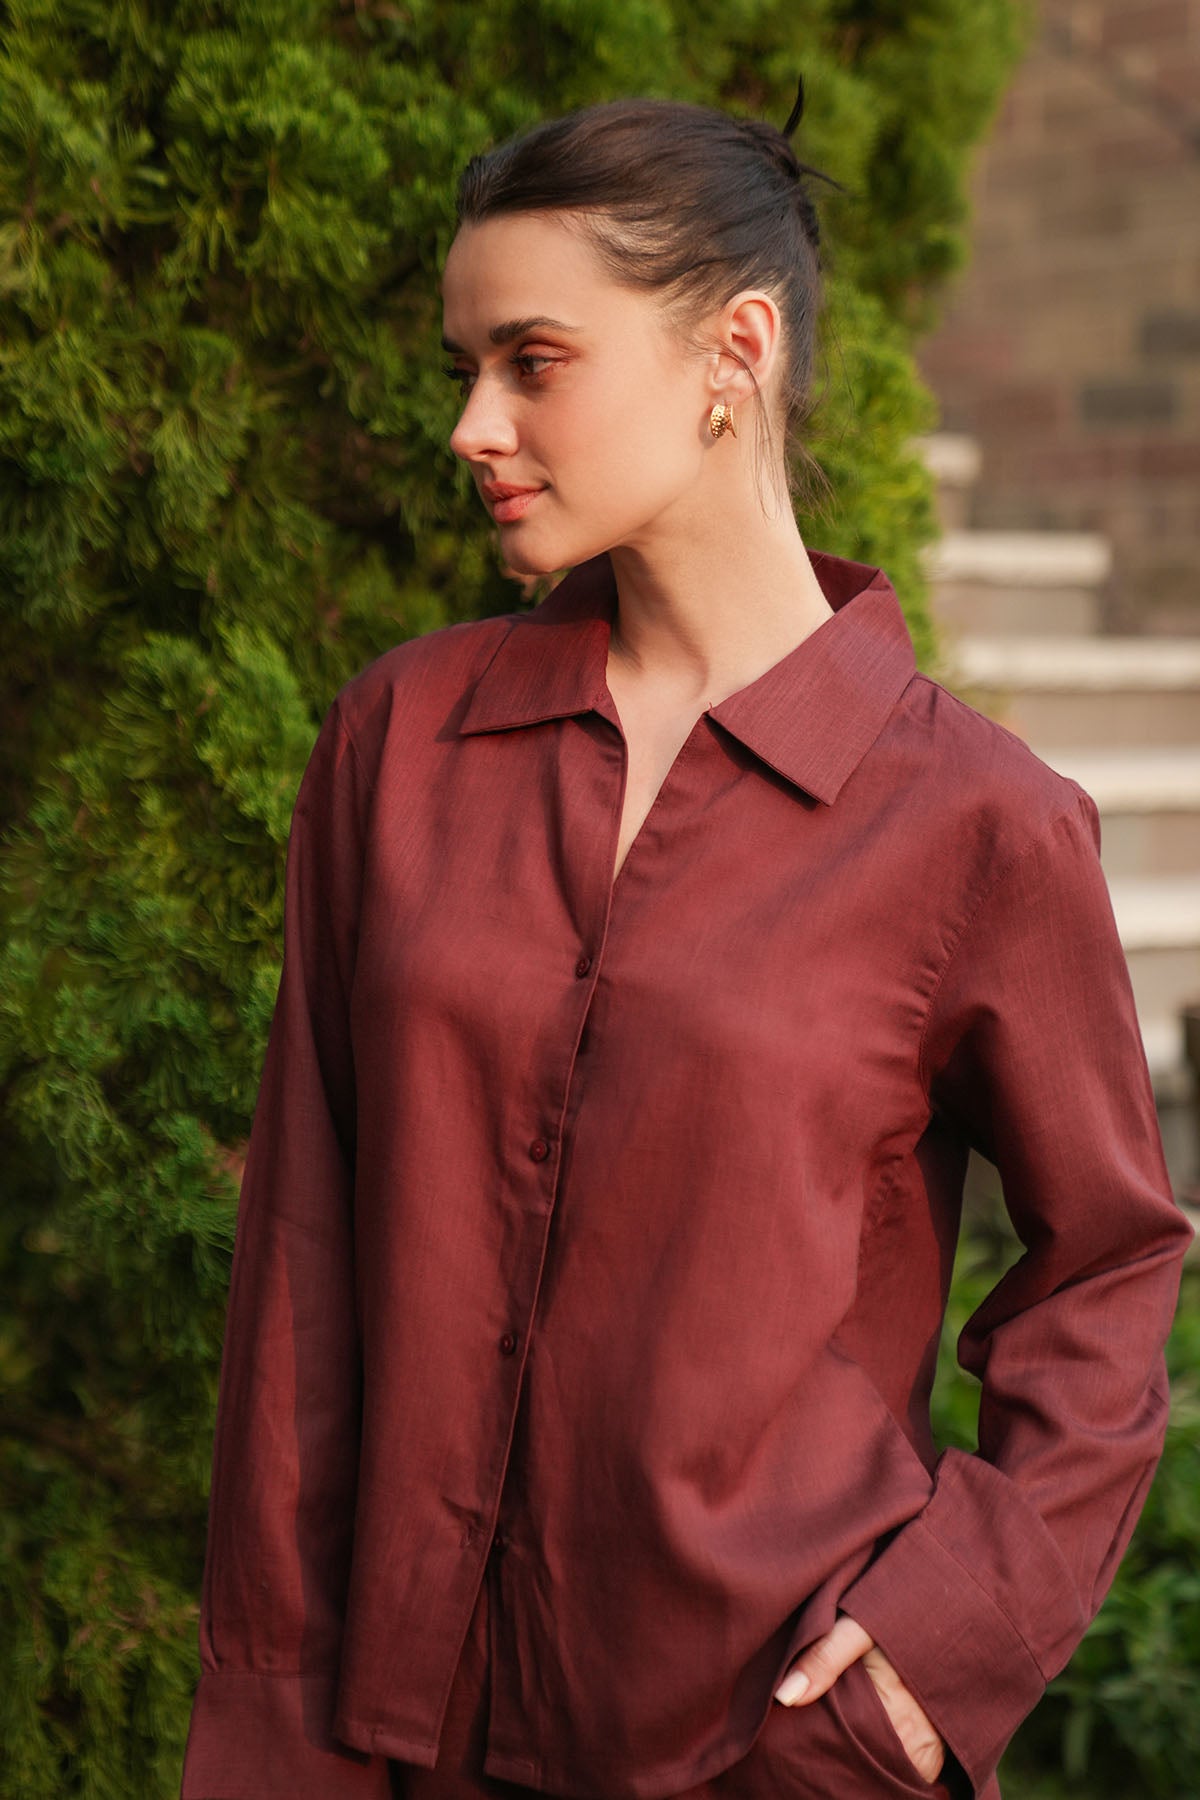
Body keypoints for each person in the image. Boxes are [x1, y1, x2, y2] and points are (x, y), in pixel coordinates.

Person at [179, 82, 1192, 1800]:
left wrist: (934, 1652)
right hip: (387, 1741)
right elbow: (302, 1256)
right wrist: (277, 1720)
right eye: (465, 368)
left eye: (534, 362)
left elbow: (1106, 1270)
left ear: (736, 351)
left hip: (766, 1749)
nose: (473, 426)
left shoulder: (980, 825)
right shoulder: (397, 745)